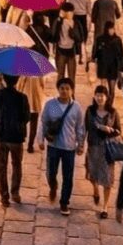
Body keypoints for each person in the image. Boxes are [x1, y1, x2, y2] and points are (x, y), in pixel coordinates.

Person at [37, 77, 86, 215]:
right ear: (58, 89)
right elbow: (44, 122)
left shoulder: (76, 107)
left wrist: (81, 144)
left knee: (68, 176)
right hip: (53, 145)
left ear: (72, 90)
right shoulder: (50, 105)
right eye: (62, 88)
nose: (64, 91)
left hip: (69, 147)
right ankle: (53, 186)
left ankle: (64, 202)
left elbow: (80, 128)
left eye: (67, 88)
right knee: (50, 173)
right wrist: (40, 139)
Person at [0, 74, 31, 207]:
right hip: (16, 137)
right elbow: (27, 117)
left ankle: (4, 197)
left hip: (0, 136)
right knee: (17, 165)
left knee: (2, 166)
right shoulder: (22, 98)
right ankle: (15, 192)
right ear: (17, 81)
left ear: (4, 80)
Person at [85, 85, 121, 219]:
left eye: (102, 95)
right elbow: (85, 128)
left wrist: (109, 130)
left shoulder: (113, 112)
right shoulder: (90, 111)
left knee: (107, 179)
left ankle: (105, 207)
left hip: (107, 150)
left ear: (107, 97)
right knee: (92, 174)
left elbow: (119, 131)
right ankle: (95, 190)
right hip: (93, 148)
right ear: (94, 96)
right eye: (98, 95)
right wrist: (81, 144)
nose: (100, 98)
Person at [93, 20, 123, 104]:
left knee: (112, 89)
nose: (112, 31)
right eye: (110, 29)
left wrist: (121, 68)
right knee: (103, 88)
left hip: (113, 67)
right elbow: (96, 53)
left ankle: (110, 104)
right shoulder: (100, 39)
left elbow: (121, 54)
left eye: (113, 29)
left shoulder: (118, 40)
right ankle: (103, 103)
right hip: (103, 66)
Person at [51, 4, 84, 84]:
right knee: (60, 75)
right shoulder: (58, 21)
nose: (71, 14)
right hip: (60, 51)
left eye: (71, 12)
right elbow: (53, 36)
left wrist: (73, 34)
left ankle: (71, 94)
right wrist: (59, 21)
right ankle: (60, 93)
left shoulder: (76, 23)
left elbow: (81, 38)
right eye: (69, 12)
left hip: (71, 51)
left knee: (71, 76)